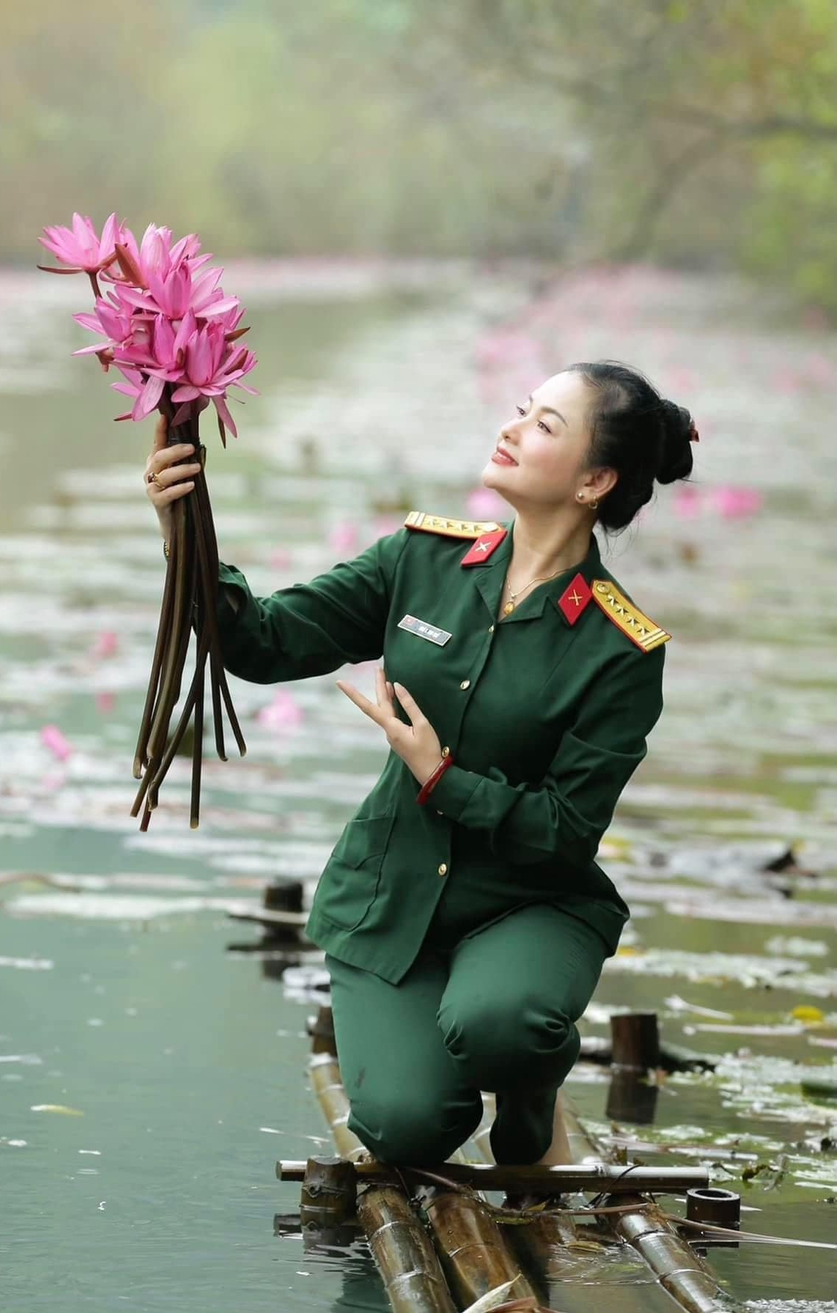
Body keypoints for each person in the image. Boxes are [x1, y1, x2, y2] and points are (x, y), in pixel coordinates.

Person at [145, 361, 697, 1171]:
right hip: (391, 900)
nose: (510, 429)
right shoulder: (420, 559)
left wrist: (445, 778)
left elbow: (567, 830)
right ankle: (444, 1067)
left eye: (544, 425)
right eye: (520, 410)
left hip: (527, 905)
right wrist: (181, 532)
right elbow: (260, 641)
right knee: (407, 1124)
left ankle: (530, 1089)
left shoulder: (619, 648)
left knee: (505, 1027)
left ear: (595, 481)